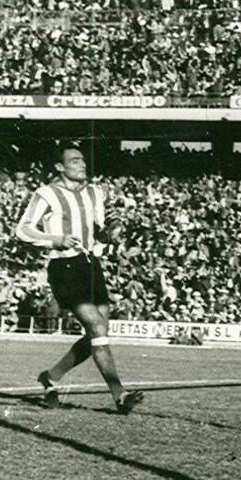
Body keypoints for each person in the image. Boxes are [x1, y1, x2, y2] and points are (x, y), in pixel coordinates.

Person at [14, 145, 144, 414]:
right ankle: (120, 395)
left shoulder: (94, 192)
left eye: (83, 159)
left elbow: (98, 232)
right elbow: (23, 229)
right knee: (97, 327)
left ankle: (50, 378)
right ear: (60, 167)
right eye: (74, 161)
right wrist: (55, 239)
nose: (82, 164)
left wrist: (112, 233)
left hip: (91, 265)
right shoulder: (47, 193)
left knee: (99, 332)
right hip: (64, 266)